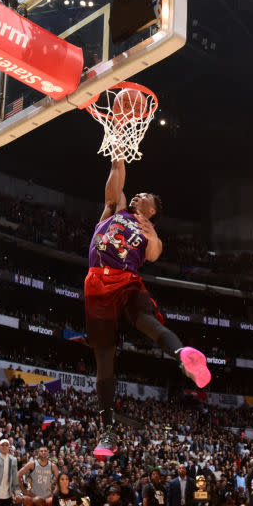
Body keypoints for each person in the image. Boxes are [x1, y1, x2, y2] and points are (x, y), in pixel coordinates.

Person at [85, 159, 212, 458]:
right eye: (137, 193)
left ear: (152, 211)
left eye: (145, 197)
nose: (138, 195)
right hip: (96, 285)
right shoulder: (116, 210)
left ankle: (183, 356)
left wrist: (152, 236)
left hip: (126, 280)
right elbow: (116, 174)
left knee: (146, 321)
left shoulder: (149, 231)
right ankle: (108, 431)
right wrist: (118, 151)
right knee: (103, 357)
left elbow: (154, 255)